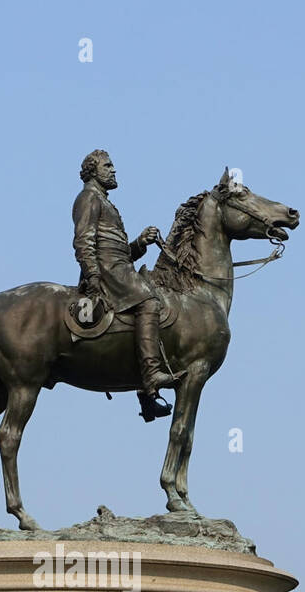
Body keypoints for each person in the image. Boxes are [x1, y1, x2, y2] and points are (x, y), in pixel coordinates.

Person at [73, 149, 185, 423]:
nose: (113, 170)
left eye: (112, 166)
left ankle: (147, 399)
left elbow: (119, 250)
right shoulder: (88, 197)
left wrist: (139, 243)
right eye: (107, 166)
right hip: (109, 273)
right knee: (149, 301)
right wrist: (94, 277)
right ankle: (151, 376)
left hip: (118, 267)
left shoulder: (103, 200)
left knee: (149, 300)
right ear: (93, 171)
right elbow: (83, 242)